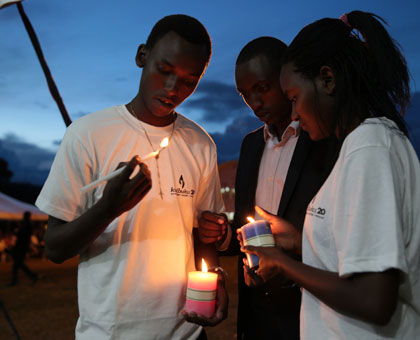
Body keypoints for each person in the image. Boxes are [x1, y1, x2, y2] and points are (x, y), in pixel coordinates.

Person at [36, 14, 227, 340]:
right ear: (142, 56)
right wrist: (108, 209)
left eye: (188, 81)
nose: (172, 89)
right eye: (164, 71)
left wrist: (216, 274)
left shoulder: (200, 144)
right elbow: (54, 247)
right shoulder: (87, 135)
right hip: (108, 333)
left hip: (186, 334)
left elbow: (203, 236)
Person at [242, 10, 420, 339]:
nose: (294, 113)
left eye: (294, 98)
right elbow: (350, 252)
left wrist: (281, 263)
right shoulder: (359, 145)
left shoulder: (369, 148)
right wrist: (298, 241)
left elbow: (373, 299)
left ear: (328, 79)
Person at [198, 37, 338, 339]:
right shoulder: (250, 146)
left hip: (310, 313)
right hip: (256, 318)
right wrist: (225, 235)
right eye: (245, 94)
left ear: (286, 78)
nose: (255, 104)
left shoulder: (324, 140)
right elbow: (249, 230)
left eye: (262, 89)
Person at [9, 211, 38, 285]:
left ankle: (16, 280)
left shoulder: (26, 224)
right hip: (22, 246)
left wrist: (17, 230)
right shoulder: (27, 224)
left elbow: (22, 235)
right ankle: (32, 276)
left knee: (17, 264)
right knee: (18, 264)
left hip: (21, 246)